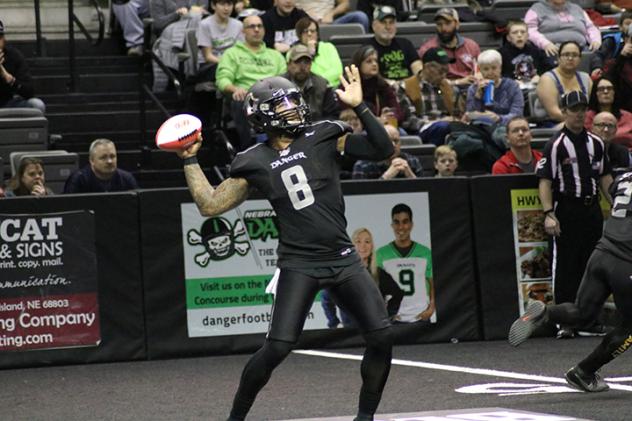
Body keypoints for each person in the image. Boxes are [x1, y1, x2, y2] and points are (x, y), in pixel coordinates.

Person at [176, 67, 395, 420]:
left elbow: (382, 148)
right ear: (263, 115)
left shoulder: (325, 134)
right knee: (277, 348)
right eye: (282, 104)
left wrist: (360, 108)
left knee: (382, 337)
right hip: (299, 264)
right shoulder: (254, 160)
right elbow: (210, 204)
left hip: (343, 258)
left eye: (294, 100)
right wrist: (189, 160)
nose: (293, 107)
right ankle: (235, 418)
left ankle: (365, 418)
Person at [508, 170, 632, 393]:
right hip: (627, 261)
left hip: (602, 252)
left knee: (582, 311)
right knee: (630, 328)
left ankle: (545, 313)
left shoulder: (625, 177)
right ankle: (584, 371)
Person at [536, 90, 613, 339]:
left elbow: (605, 177)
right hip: (567, 209)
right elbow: (545, 181)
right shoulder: (556, 145)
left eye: (583, 109)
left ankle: (588, 319)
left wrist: (617, 205)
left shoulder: (596, 143)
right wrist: (549, 213)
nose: (579, 114)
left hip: (591, 209)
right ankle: (565, 322)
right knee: (567, 267)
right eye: (574, 109)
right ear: (565, 111)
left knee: (593, 266)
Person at [216, 14, 286, 150]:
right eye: (252, 26)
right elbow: (222, 79)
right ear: (243, 31)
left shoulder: (275, 56)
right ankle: (248, 149)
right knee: (240, 101)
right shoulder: (232, 54)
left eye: (260, 26)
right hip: (247, 99)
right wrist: (235, 89)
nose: (256, 30)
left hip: (273, 99)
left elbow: (284, 79)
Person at [376, 203, 435, 323]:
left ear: (411, 224)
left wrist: (432, 307)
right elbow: (375, 287)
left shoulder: (425, 252)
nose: (401, 227)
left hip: (420, 316)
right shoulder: (381, 254)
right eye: (396, 222)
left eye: (405, 221)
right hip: (394, 318)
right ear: (392, 225)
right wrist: (385, 313)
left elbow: (432, 281)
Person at [397, 47, 463, 146]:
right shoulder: (406, 87)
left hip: (448, 126)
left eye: (446, 71)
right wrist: (436, 122)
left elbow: (458, 114)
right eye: (441, 71)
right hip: (421, 130)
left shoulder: (449, 88)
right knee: (442, 127)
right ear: (427, 67)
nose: (444, 75)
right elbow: (408, 121)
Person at [417, 8, 480, 90]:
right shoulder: (428, 49)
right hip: (442, 91)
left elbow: (480, 70)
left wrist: (477, 78)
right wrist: (457, 82)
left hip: (471, 88)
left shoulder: (472, 46)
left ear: (457, 24)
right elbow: (425, 80)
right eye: (439, 24)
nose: (443, 28)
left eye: (448, 23)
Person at [536, 41, 592, 124]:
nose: (570, 58)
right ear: (558, 58)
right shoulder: (547, 79)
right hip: (553, 124)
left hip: (581, 123)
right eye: (566, 55)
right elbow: (553, 113)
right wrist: (578, 122)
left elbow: (591, 107)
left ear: (580, 59)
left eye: (575, 55)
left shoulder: (586, 78)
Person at [465, 49, 524, 126]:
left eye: (494, 68)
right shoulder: (473, 89)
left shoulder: (512, 86)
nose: (490, 72)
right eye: (486, 69)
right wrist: (477, 97)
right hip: (481, 127)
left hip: (506, 127)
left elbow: (517, 114)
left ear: (500, 68)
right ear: (480, 70)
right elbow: (470, 115)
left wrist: (498, 118)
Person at [281, 44, 339, 121]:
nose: (302, 67)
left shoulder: (323, 85)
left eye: (306, 62)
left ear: (311, 65)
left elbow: (332, 116)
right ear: (288, 64)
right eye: (297, 62)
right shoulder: (279, 85)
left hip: (317, 129)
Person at [525, 0, 601, 57]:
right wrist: (545, 44)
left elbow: (590, 27)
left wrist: (595, 40)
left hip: (581, 49)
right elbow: (529, 30)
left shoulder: (577, 8)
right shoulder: (536, 9)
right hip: (553, 50)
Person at [366, 5, 422, 81]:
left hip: (409, 87)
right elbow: (371, 76)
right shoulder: (367, 48)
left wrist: (418, 80)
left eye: (391, 22)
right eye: (383, 22)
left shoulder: (406, 44)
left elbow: (418, 68)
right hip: (382, 89)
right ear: (374, 26)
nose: (388, 27)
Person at [0, 21, 45, 113]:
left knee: (37, 105)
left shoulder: (13, 55)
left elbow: (29, 91)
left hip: (8, 103)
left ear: (4, 39)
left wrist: (10, 79)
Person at [352, 45, 403, 126]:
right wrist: (376, 120)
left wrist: (389, 116)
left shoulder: (382, 84)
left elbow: (398, 111)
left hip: (385, 125)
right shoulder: (349, 86)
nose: (374, 64)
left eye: (376, 61)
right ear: (358, 64)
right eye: (369, 61)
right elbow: (350, 115)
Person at [64, 138, 139, 193]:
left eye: (112, 156)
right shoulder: (78, 180)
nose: (109, 161)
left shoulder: (127, 179)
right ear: (92, 160)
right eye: (103, 158)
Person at [195, 0, 244, 81]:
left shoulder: (238, 25)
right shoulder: (205, 24)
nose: (226, 8)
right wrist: (227, 64)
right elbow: (208, 56)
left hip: (233, 64)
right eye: (222, 4)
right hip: (210, 65)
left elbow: (240, 52)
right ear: (213, 6)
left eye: (229, 4)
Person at [352, 124, 423, 179]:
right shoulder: (362, 165)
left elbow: (425, 193)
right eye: (388, 141)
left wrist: (410, 175)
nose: (393, 145)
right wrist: (386, 177)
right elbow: (360, 196)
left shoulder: (413, 161)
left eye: (396, 141)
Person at [497, 20, 554, 88]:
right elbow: (498, 75)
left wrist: (540, 76)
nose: (519, 35)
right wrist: (511, 81)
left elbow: (549, 69)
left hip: (535, 87)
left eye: (523, 32)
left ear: (527, 36)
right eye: (515, 32)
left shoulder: (536, 51)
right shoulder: (500, 54)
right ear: (508, 38)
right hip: (512, 89)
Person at [294, 17, 343, 87]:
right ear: (299, 35)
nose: (309, 34)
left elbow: (337, 71)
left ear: (317, 33)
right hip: (310, 91)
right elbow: (302, 76)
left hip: (333, 88)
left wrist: (319, 82)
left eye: (312, 31)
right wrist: (309, 54)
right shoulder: (295, 51)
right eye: (305, 31)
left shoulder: (328, 47)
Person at [585, 77, 632, 148]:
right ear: (595, 93)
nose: (606, 91)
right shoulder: (586, 117)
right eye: (601, 89)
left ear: (614, 92)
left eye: (609, 88)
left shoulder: (628, 117)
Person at [590, 11, 632, 79]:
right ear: (620, 26)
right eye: (628, 24)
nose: (631, 27)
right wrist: (597, 67)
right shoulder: (612, 40)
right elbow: (598, 55)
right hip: (616, 78)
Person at [295, 0, 369, 31]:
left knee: (360, 17)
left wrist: (331, 14)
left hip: (329, 23)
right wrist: (306, 16)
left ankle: (364, 54)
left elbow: (345, 4)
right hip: (304, 24)